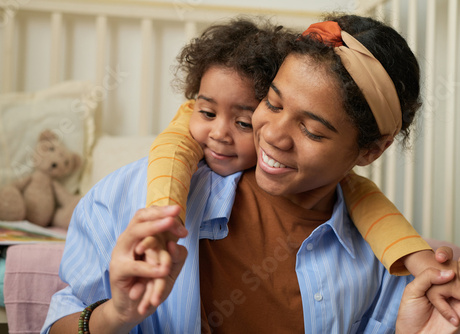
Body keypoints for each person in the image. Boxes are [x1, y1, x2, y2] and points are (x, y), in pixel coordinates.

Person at [43, 14, 460, 333]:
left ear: (371, 150)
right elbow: (57, 322)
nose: (272, 135)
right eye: (273, 104)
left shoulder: (386, 266)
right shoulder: (130, 198)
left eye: (312, 130)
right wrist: (115, 315)